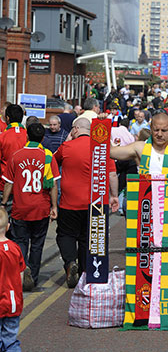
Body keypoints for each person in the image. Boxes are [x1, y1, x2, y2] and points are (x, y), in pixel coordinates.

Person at [54, 118, 119, 288]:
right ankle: (83, 272)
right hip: (96, 203)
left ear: (75, 129)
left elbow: (54, 161)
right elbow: (112, 174)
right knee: (87, 238)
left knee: (66, 235)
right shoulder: (102, 148)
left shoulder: (66, 147)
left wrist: (67, 141)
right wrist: (114, 196)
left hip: (69, 203)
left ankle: (69, 262)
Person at [1, 123, 59, 290]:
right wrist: (54, 206)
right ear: (42, 138)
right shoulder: (48, 156)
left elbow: (8, 184)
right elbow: (53, 185)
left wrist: (4, 203)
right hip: (41, 208)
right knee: (37, 244)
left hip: (20, 208)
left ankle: (20, 272)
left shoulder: (16, 155)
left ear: (27, 137)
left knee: (20, 242)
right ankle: (32, 276)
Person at [0, 208, 26, 352]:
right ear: (8, 226)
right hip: (13, 301)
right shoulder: (15, 248)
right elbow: (20, 275)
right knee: (10, 340)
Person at [0, 104, 27, 207]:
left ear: (7, 118)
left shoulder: (2, 137)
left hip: (4, 185)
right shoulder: (29, 135)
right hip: (25, 186)